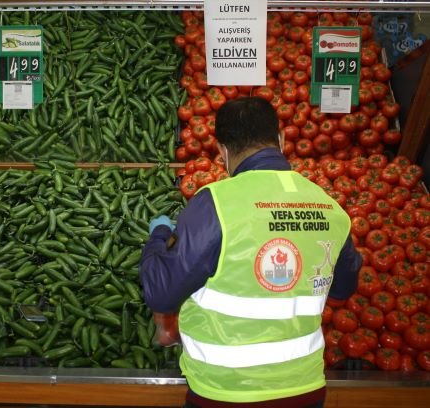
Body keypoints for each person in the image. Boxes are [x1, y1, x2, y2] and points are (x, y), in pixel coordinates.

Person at [140, 97, 362, 408]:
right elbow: (343, 289)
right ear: (281, 140)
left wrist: (158, 238)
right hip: (306, 390)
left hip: (225, 392)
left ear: (222, 151)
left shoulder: (214, 203)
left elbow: (161, 293)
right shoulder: (329, 205)